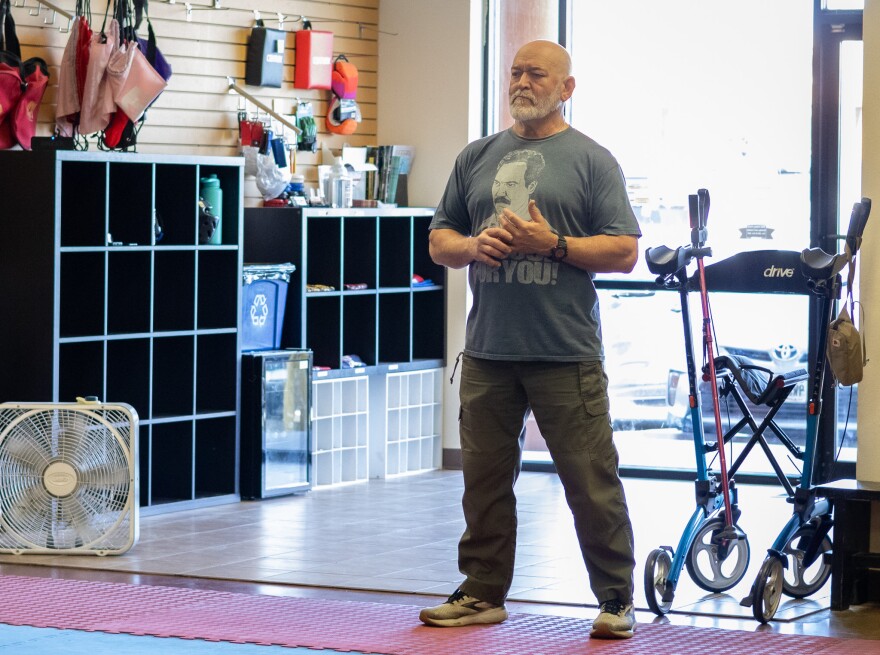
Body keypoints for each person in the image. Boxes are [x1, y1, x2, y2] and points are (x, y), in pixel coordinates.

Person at [418, 40, 641, 640]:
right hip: (489, 350)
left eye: (535, 73)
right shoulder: (478, 156)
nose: (521, 81)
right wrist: (470, 247)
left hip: (565, 353)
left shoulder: (592, 161)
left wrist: (555, 245)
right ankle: (482, 593)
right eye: (516, 71)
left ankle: (617, 599)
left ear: (567, 88)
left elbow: (623, 250)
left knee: (590, 482)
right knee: (483, 482)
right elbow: (440, 238)